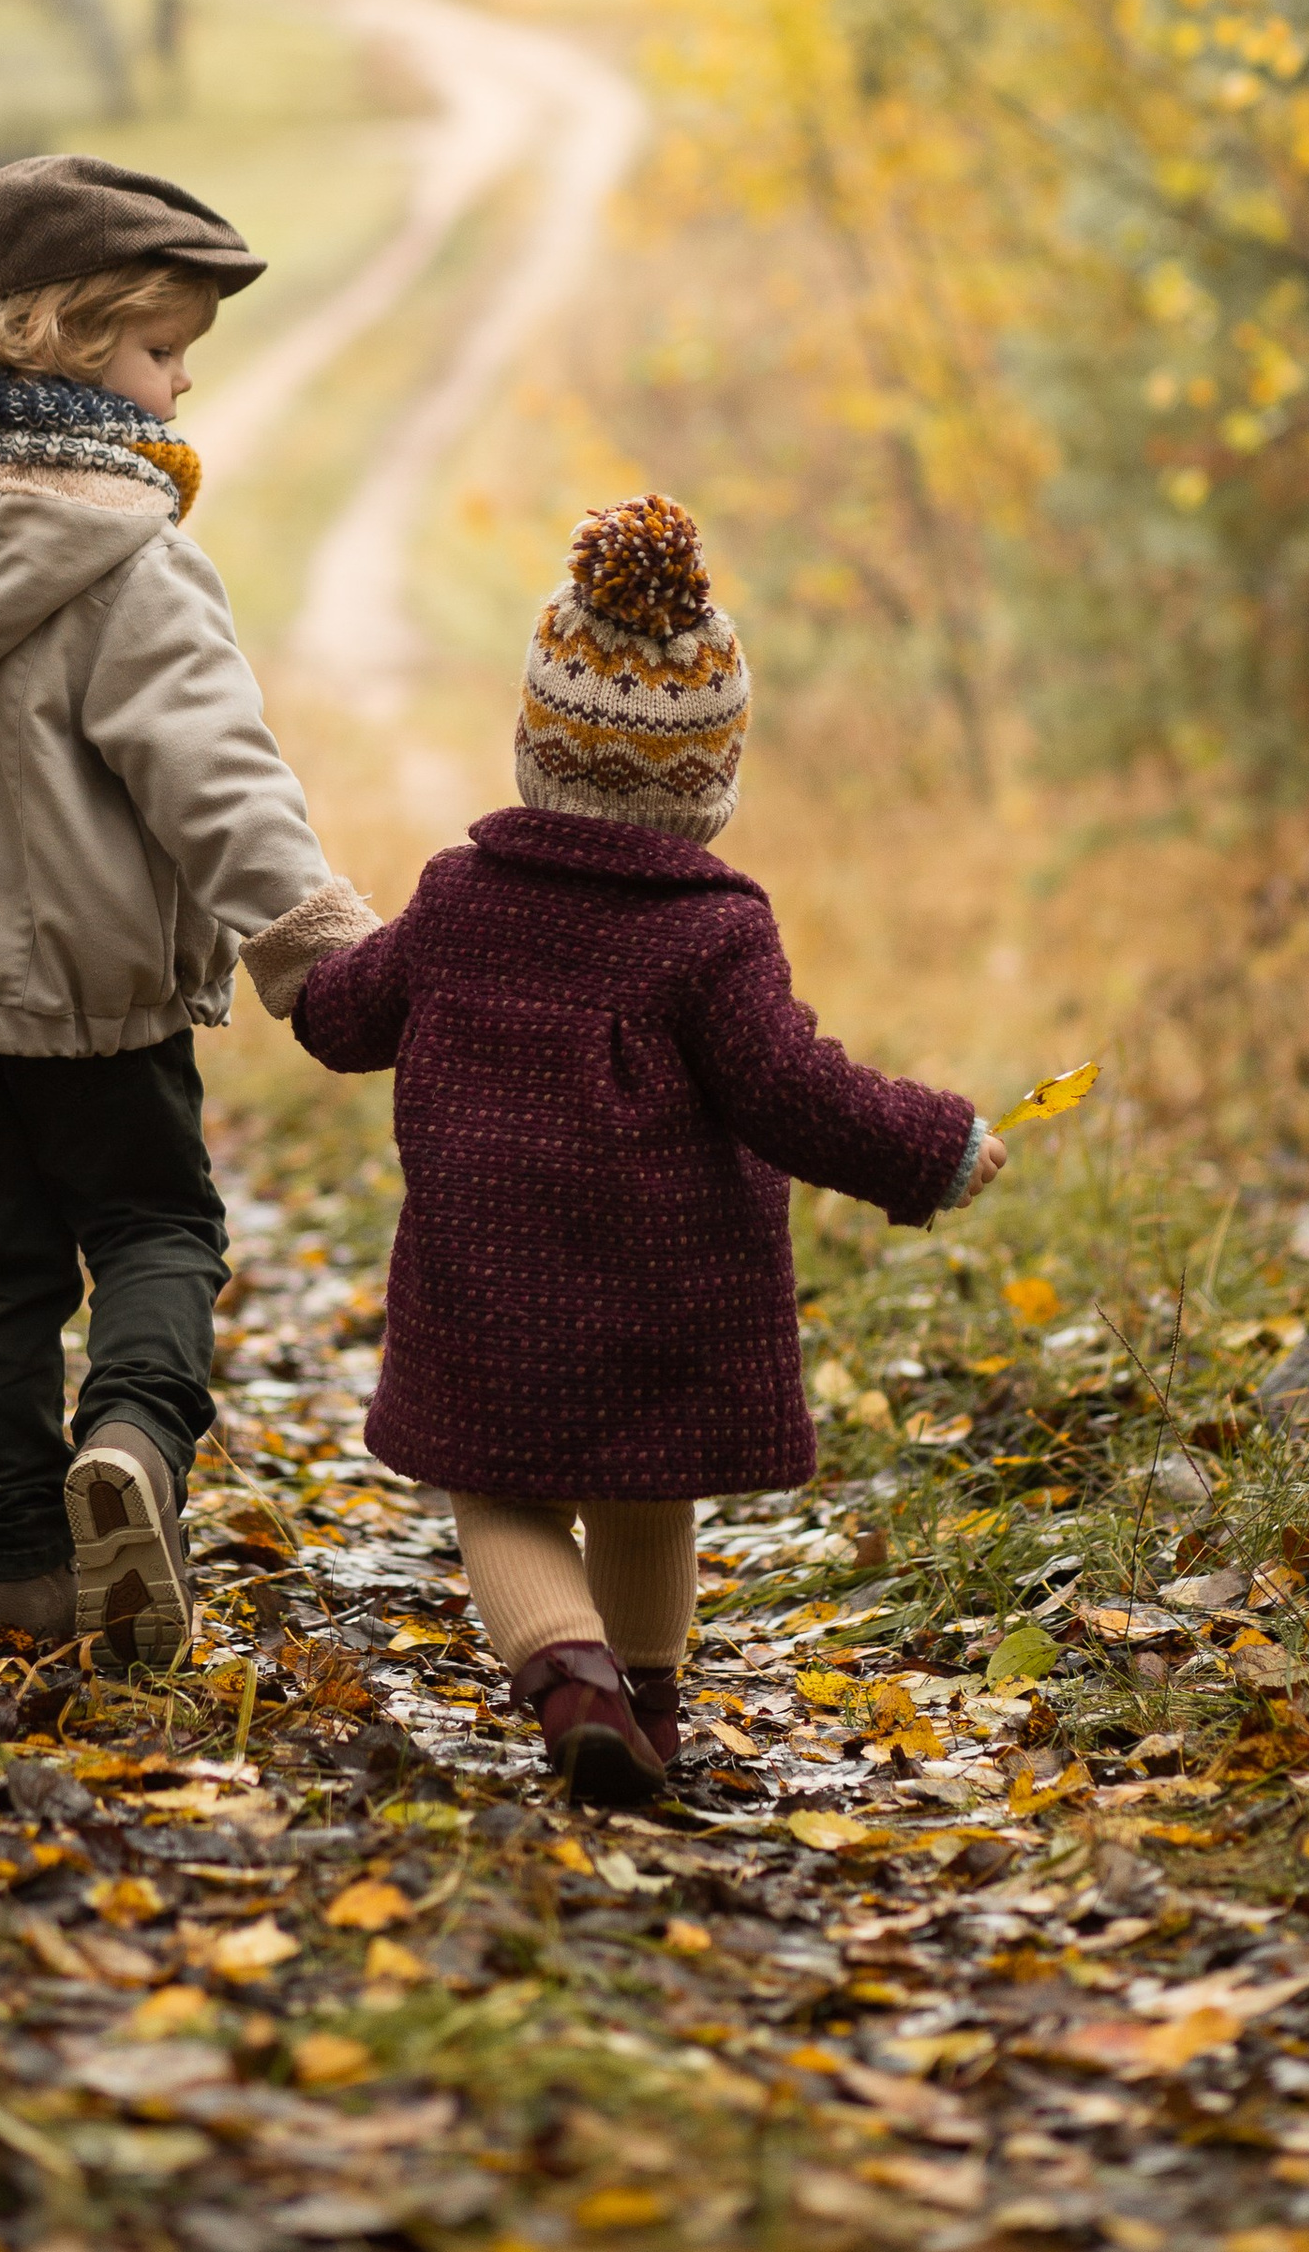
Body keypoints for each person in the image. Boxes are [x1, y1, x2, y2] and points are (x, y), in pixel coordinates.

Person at [262, 491, 1004, 1803]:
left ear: (535, 747)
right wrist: (930, 1148)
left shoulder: (456, 900)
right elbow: (797, 1092)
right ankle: (649, 1708)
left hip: (487, 1292)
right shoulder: (715, 935)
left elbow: (347, 1012)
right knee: (650, 1488)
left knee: (501, 1498)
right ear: (712, 781)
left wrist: (297, 942)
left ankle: (572, 1683)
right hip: (668, 1299)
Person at [0, 152, 375, 1661]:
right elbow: (216, 777)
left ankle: (17, 1573)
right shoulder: (127, 553)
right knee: (158, 1221)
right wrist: (318, 950)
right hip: (88, 997)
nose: (177, 392)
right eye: (164, 354)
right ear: (71, 336)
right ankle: (136, 1450)